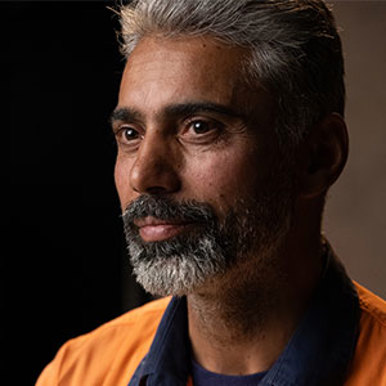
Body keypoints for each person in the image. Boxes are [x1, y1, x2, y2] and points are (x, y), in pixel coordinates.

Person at [36, 0, 386, 385]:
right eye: (131, 134)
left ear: (318, 157)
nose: (144, 174)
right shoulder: (77, 373)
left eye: (199, 127)